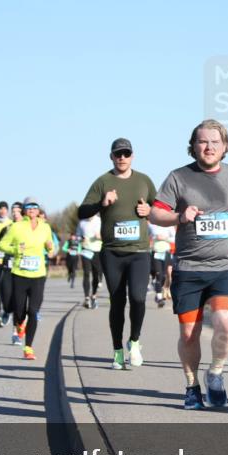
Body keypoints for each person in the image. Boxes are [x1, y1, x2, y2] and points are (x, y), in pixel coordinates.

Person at [150, 119, 228, 409]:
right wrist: (179, 217)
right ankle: (192, 385)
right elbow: (156, 214)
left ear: (225, 147)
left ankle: (216, 373)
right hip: (189, 268)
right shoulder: (178, 177)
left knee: (227, 324)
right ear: (193, 146)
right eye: (203, 142)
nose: (209, 147)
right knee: (188, 334)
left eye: (215, 142)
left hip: (226, 265)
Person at [78, 138, 157, 370]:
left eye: (126, 153)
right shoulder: (103, 181)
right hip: (112, 253)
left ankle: (134, 341)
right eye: (118, 154)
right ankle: (117, 350)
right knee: (117, 302)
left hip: (139, 251)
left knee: (138, 298)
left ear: (133, 156)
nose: (122, 157)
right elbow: (82, 211)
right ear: (111, 156)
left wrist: (149, 210)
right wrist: (102, 203)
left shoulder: (144, 181)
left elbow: (162, 209)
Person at [0, 197, 56, 360]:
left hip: (38, 275)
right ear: (24, 210)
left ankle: (28, 347)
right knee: (19, 311)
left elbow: (50, 246)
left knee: (33, 311)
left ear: (38, 210)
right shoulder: (16, 227)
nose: (32, 210)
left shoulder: (45, 227)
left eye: (35, 207)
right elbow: (2, 245)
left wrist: (50, 248)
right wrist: (16, 249)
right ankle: (19, 324)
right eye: (29, 207)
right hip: (20, 274)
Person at [0, 201, 24, 328]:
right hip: (7, 267)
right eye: (13, 211)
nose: (15, 214)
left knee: (19, 300)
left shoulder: (28, 229)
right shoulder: (7, 228)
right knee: (6, 295)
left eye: (18, 211)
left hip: (23, 268)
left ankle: (16, 331)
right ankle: (7, 311)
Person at [78, 214, 103, 308]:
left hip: (97, 251)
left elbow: (107, 235)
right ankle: (86, 298)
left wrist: (100, 236)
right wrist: (81, 238)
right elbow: (77, 235)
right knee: (86, 273)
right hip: (86, 250)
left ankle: (94, 295)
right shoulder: (82, 222)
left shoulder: (100, 221)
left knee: (96, 274)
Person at [149, 223, 175, 308]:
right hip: (156, 252)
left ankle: (158, 292)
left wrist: (165, 238)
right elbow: (146, 237)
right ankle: (159, 297)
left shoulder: (169, 226)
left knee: (164, 276)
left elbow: (175, 239)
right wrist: (154, 238)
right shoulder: (152, 226)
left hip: (166, 253)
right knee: (158, 274)